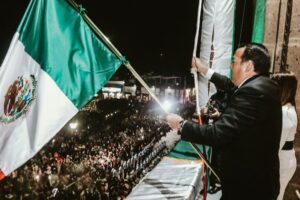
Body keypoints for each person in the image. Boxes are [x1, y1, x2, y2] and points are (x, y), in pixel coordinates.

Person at [166, 43, 282, 200]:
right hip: (253, 182)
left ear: (248, 66)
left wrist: (181, 125)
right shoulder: (260, 86)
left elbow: (217, 134)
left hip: (249, 188)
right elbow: (229, 85)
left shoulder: (253, 93)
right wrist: (203, 69)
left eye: (234, 61)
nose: (231, 65)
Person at [271, 72, 298, 200]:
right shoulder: (288, 108)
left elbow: (276, 144)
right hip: (284, 159)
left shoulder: (285, 112)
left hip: (282, 162)